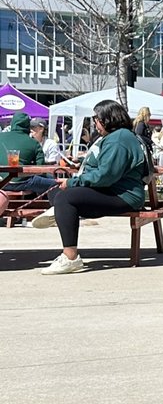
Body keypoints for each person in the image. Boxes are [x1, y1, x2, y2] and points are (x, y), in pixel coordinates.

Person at [32, 100, 147, 275]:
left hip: (123, 195)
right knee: (57, 192)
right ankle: (60, 213)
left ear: (109, 119)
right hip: (112, 190)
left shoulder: (119, 140)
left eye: (97, 118)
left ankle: (70, 257)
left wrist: (73, 182)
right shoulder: (116, 137)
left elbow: (105, 175)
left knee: (64, 197)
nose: (94, 123)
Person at [0, 113, 49, 218]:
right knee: (55, 184)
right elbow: (41, 168)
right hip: (23, 181)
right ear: (28, 126)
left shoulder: (1, 137)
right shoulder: (34, 143)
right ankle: (54, 213)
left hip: (2, 181)